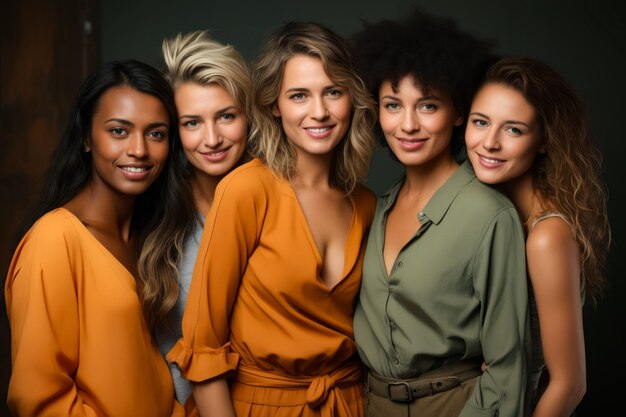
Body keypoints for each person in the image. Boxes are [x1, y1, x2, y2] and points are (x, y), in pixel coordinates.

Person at [166, 21, 377, 417]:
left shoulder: (366, 205)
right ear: (274, 106)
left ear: (353, 99)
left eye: (333, 91)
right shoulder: (246, 190)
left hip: (348, 403)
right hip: (260, 406)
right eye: (299, 95)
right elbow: (204, 348)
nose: (319, 112)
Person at [349, 9, 531, 417]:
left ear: (459, 112)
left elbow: (508, 368)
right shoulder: (376, 208)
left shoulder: (489, 216)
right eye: (393, 105)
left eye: (427, 106)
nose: (407, 124)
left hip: (455, 405)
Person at [4, 60, 186, 416]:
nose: (139, 150)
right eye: (119, 131)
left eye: (156, 133)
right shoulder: (55, 239)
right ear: (87, 137)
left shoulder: (151, 240)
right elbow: (38, 399)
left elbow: (149, 380)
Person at [464, 57, 611, 417]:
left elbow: (569, 384)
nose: (489, 143)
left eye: (513, 129)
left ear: (543, 140)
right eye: (480, 122)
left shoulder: (547, 235)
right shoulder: (492, 215)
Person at [143, 30, 252, 407]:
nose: (212, 138)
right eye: (192, 123)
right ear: (175, 131)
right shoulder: (155, 215)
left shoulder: (279, 197)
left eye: (226, 116)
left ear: (249, 116)